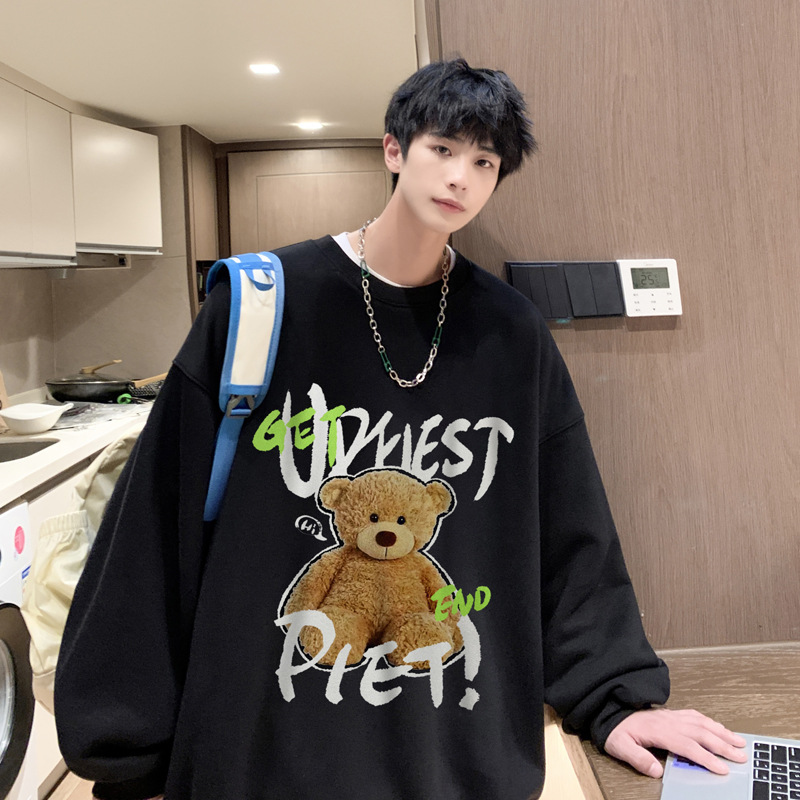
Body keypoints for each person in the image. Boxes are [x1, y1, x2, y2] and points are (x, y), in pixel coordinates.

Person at [54, 58, 746, 800]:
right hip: (265, 751)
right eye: (442, 148)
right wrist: (128, 745)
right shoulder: (262, 304)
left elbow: (571, 527)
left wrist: (614, 698)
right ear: (394, 148)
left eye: (483, 162)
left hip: (451, 755)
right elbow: (155, 528)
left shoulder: (511, 333)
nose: (459, 177)